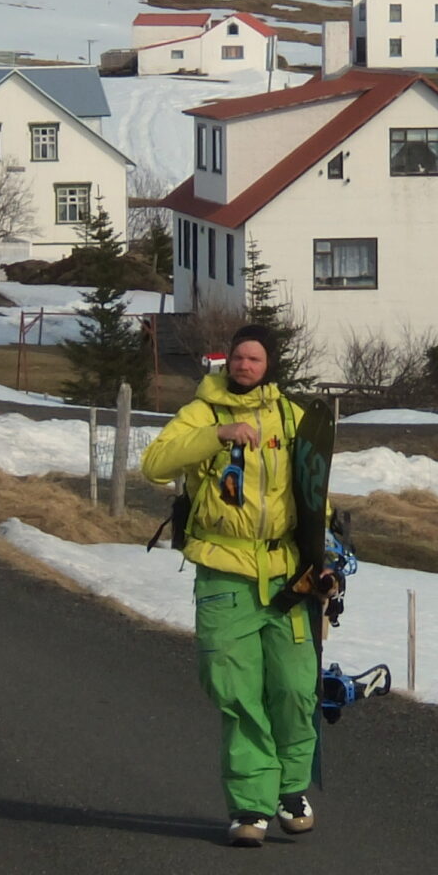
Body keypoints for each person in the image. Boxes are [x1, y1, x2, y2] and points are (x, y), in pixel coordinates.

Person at [140, 325, 331, 848]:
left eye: (255, 357)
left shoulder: (291, 418)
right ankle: (251, 806)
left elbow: (314, 489)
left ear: (269, 364)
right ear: (227, 362)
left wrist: (326, 554)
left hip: (288, 574)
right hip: (224, 573)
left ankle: (291, 788)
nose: (245, 365)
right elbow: (154, 464)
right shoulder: (203, 411)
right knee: (237, 692)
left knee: (295, 688)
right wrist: (216, 437)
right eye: (239, 357)